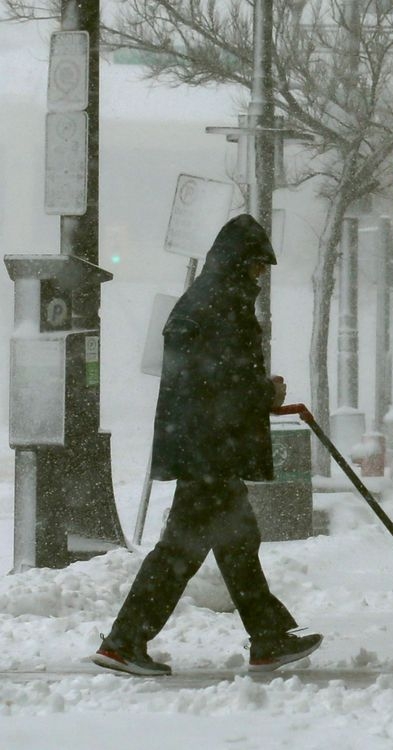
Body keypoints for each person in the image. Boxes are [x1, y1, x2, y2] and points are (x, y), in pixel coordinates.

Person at [91, 214, 322, 676]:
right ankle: (125, 641)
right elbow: (215, 378)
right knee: (193, 547)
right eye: (258, 266)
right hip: (209, 448)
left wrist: (255, 391)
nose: (260, 276)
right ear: (240, 263)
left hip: (204, 445)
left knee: (230, 542)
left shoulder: (210, 298)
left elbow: (208, 373)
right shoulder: (221, 302)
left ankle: (266, 638)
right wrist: (262, 392)